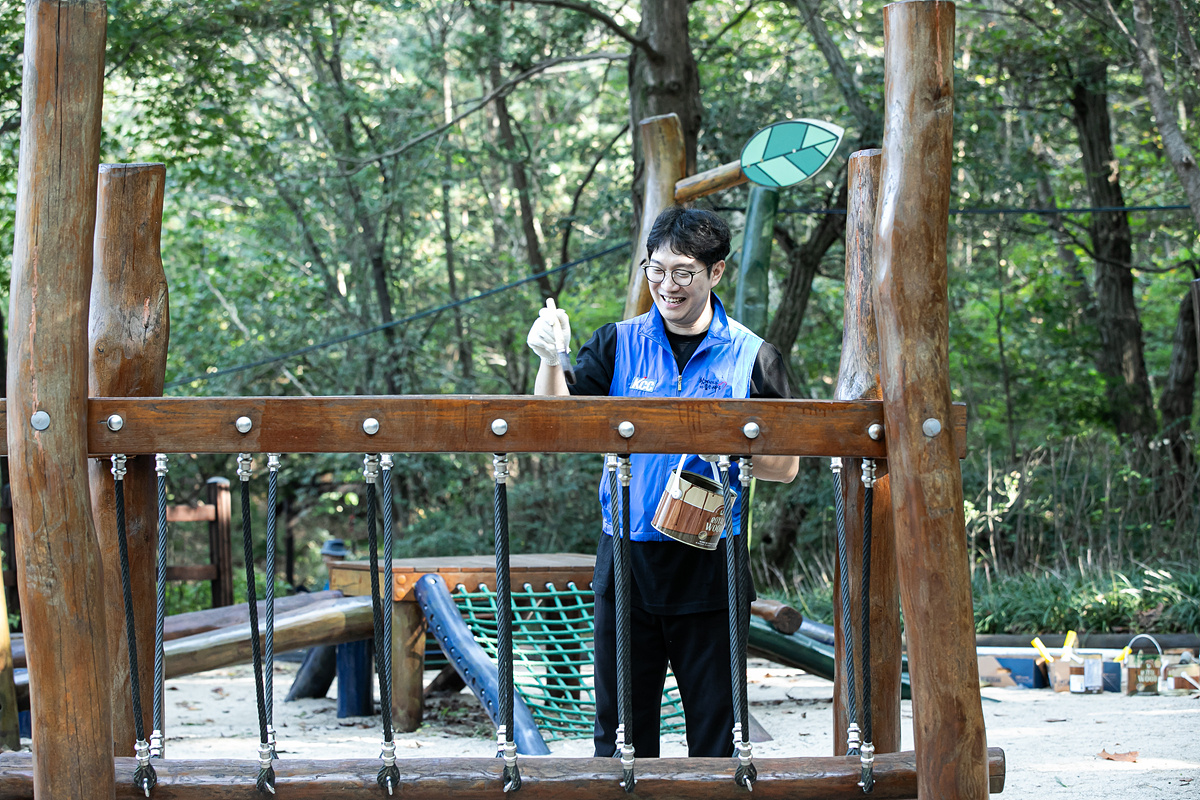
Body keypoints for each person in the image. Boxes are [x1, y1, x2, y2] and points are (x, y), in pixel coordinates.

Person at [527, 206, 799, 759]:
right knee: (621, 739)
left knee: (717, 740)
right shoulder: (616, 343)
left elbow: (786, 464)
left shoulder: (754, 355)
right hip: (626, 560)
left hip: (711, 563)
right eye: (656, 270)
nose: (666, 286)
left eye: (683, 273)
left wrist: (715, 443)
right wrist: (552, 358)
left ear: (715, 272)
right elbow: (553, 428)